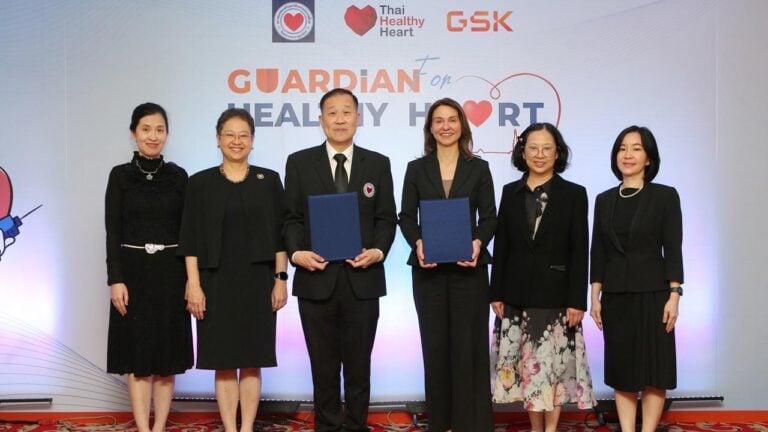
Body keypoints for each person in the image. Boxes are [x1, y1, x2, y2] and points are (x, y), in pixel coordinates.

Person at [283, 88, 397, 432]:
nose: (340, 119)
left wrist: (378, 251)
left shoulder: (377, 163)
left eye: (347, 112)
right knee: (323, 367)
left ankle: (356, 426)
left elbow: (386, 218)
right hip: (315, 280)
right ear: (321, 120)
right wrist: (296, 253)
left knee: (359, 367)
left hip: (362, 281)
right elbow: (291, 219)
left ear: (358, 118)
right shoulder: (299, 162)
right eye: (332, 113)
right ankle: (328, 426)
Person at [178, 108, 288, 432]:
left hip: (258, 281)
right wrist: (193, 284)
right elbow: (189, 239)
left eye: (244, 135)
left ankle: (247, 426)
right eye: (229, 134)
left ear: (252, 140)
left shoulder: (269, 180)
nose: (236, 141)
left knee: (253, 360)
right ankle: (230, 427)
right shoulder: (199, 183)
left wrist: (281, 279)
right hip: (214, 281)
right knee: (223, 361)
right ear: (218, 138)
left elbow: (281, 236)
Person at [490, 123, 596, 432]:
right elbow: (502, 244)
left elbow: (580, 250)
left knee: (553, 370)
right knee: (527, 369)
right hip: (516, 295)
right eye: (533, 148)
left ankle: (550, 429)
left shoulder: (574, 194)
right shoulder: (510, 192)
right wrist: (495, 292)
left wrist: (577, 300)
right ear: (522, 152)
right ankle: (536, 428)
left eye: (547, 148)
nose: (540, 154)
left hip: (556, 297)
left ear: (557, 153)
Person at [398, 98, 497, 432]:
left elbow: (490, 217)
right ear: (430, 128)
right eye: (438, 121)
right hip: (429, 272)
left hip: (469, 270)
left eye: (452, 119)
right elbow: (406, 217)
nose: (445, 126)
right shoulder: (416, 168)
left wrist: (478, 241)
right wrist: (418, 242)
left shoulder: (479, 168)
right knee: (436, 347)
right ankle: (439, 422)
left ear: (462, 125)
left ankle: (472, 423)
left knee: (469, 347)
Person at [105, 102, 193, 432]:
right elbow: (112, 232)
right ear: (133, 133)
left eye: (159, 130)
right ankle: (143, 428)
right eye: (146, 129)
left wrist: (191, 279)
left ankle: (160, 427)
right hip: (133, 274)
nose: (153, 136)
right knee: (138, 358)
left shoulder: (179, 176)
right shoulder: (119, 176)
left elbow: (188, 233)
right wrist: (115, 279)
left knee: (166, 359)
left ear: (167, 134)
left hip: (171, 274)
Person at [590, 125, 683, 432]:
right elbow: (598, 252)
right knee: (623, 371)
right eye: (622, 148)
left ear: (649, 158)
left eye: (636, 148)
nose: (627, 155)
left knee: (656, 371)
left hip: (655, 295)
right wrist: (594, 297)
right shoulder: (604, 200)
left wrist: (674, 295)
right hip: (616, 296)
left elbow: (673, 249)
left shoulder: (665, 196)